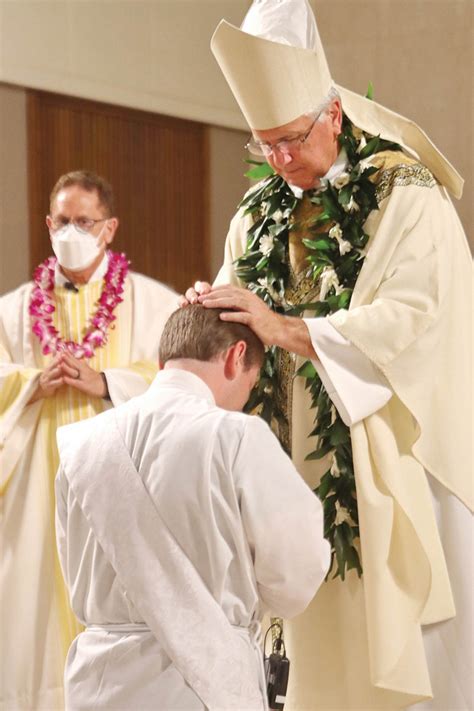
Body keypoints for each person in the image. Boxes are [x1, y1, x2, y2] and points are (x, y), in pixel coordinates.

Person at [183, 1, 473, 709]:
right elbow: (239, 301)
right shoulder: (260, 210)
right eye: (265, 145)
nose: (280, 160)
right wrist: (213, 311)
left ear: (334, 116)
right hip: (289, 455)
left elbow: (415, 318)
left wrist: (283, 327)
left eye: (291, 139)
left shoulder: (406, 193)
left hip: (385, 450)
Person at [54, 304, 330, 710]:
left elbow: (74, 563)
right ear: (237, 357)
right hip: (197, 685)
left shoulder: (81, 444)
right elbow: (297, 572)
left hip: (97, 685)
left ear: (162, 360)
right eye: (251, 386)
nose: (242, 401)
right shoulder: (236, 436)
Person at [0, 170, 178, 710]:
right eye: (62, 221)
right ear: (47, 223)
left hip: (120, 478)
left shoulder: (154, 303)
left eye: (84, 221)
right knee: (30, 605)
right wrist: (31, 382)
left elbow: (180, 381)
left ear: (109, 229)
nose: (70, 231)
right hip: (37, 481)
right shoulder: (14, 309)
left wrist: (106, 382)